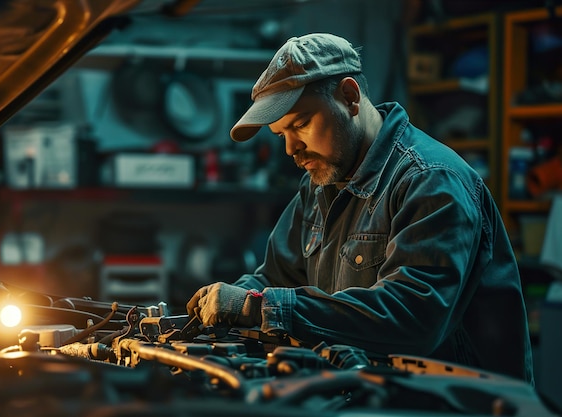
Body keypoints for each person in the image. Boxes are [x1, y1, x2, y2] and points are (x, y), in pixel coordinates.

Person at [186, 33, 534, 384]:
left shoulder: (430, 181)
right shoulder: (320, 183)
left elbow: (411, 319)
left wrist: (260, 308)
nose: (291, 149)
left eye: (301, 124)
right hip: (364, 395)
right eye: (281, 135)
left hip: (455, 405)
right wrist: (222, 303)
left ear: (349, 97)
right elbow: (276, 277)